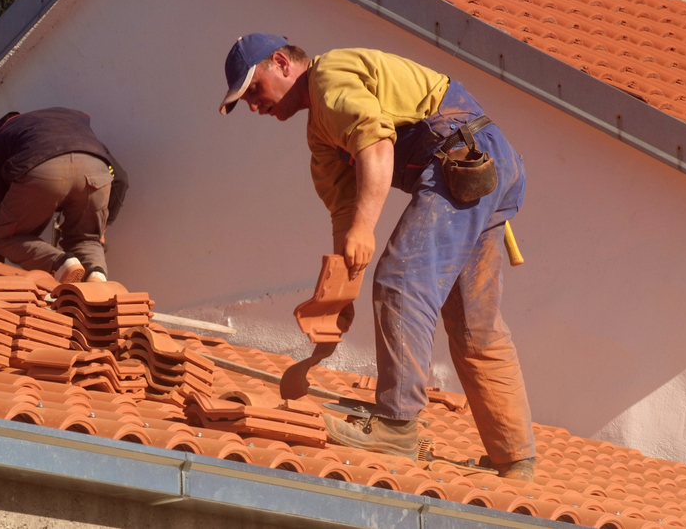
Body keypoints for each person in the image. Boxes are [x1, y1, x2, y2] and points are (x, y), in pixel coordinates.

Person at [219, 33, 535, 480]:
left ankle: (396, 425)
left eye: (254, 89)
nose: (254, 105)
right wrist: (340, 292)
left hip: (465, 159)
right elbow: (344, 213)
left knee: (401, 279)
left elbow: (377, 147)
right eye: (245, 101)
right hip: (488, 166)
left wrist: (365, 229)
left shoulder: (329, 79)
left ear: (282, 63)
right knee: (473, 322)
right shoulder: (321, 136)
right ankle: (514, 457)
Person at [0, 107, 128, 284]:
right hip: (96, 171)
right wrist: (101, 228)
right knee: (86, 239)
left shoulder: (4, 137)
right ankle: (96, 275)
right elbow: (120, 179)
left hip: (43, 168)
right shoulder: (72, 124)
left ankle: (60, 263)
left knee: (5, 237)